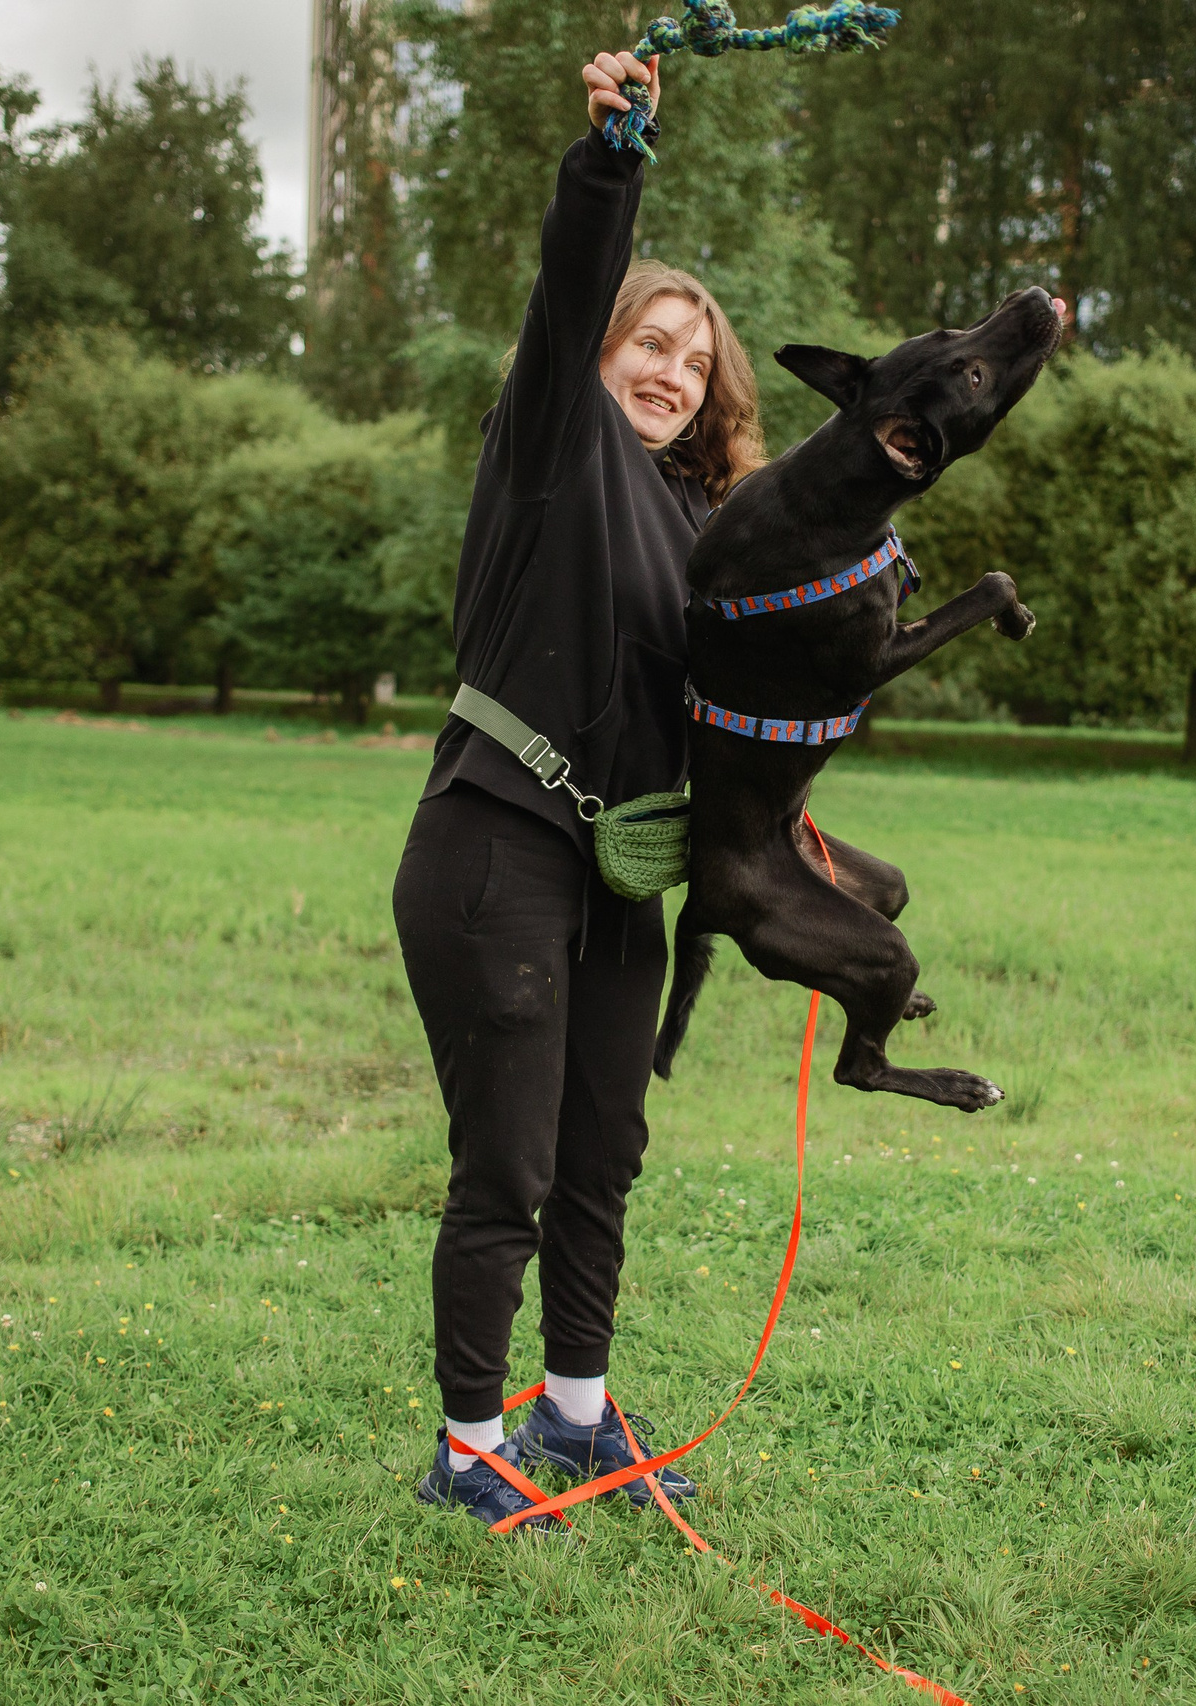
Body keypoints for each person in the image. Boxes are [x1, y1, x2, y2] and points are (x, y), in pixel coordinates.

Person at [392, 48, 765, 1533]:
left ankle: (574, 1417)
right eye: (649, 341)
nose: (673, 368)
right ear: (601, 351)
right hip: (497, 843)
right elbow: (566, 289)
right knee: (515, 1158)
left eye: (696, 354)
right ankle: (465, 1443)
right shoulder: (550, 445)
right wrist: (613, 156)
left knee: (605, 1146)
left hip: (623, 874)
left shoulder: (698, 529)